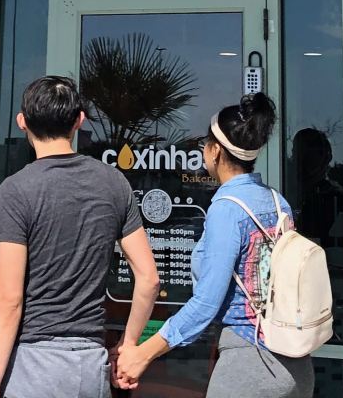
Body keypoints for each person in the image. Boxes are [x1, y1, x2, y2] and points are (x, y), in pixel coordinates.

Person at [117, 93, 313, 397]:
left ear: (216, 151)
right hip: (297, 363)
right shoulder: (277, 201)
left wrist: (143, 354)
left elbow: (206, 303)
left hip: (251, 364)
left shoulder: (227, 208)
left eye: (205, 144)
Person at [0, 75, 161, 398]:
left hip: (34, 366)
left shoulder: (15, 191)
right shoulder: (114, 183)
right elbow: (149, 279)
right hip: (91, 366)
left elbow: (8, 300)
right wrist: (128, 345)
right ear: (79, 121)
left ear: (22, 122)